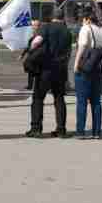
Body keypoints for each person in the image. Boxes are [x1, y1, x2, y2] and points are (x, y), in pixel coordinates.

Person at [27, 9, 71, 138]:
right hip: (61, 70)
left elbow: (36, 41)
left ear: (52, 17)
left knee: (38, 98)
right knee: (59, 99)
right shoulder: (67, 32)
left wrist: (30, 52)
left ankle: (36, 128)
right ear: (63, 17)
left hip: (46, 69)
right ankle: (61, 129)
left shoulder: (47, 27)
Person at [73, 10, 102, 139]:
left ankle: (80, 132)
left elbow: (83, 45)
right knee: (96, 102)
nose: (82, 23)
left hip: (85, 70)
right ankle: (97, 132)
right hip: (99, 72)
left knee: (82, 101)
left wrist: (76, 63)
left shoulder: (86, 28)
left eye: (83, 20)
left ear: (88, 20)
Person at [20, 19, 41, 90]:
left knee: (37, 72)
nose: (34, 27)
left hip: (38, 56)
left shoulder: (41, 35)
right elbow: (28, 46)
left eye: (36, 25)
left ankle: (36, 86)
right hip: (31, 56)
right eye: (34, 25)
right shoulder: (32, 35)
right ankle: (30, 85)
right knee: (30, 71)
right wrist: (22, 55)